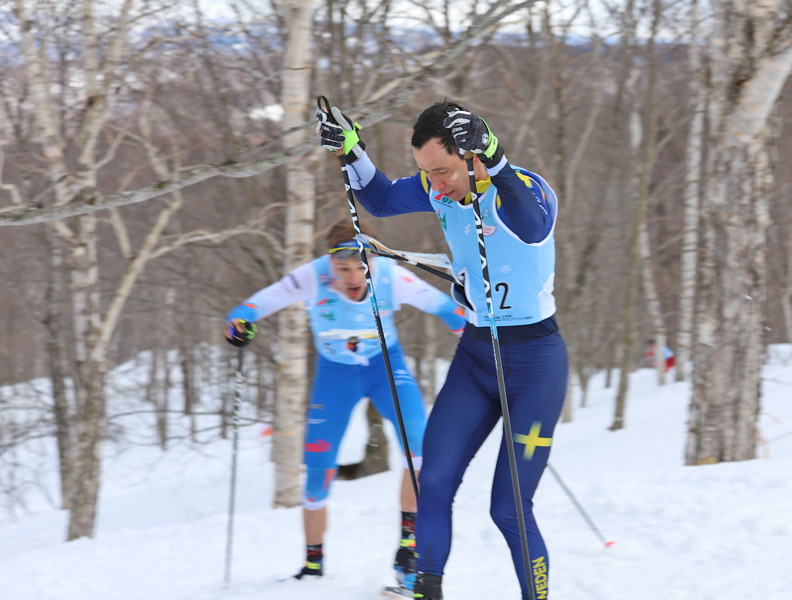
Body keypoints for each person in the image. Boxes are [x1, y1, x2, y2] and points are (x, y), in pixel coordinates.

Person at [315, 101, 568, 600]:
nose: (434, 185)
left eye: (443, 171)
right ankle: (426, 591)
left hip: (535, 365)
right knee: (432, 481)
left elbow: (534, 226)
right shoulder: (440, 186)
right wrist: (353, 152)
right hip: (477, 359)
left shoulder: (523, 188)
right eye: (425, 172)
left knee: (509, 509)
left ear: (472, 155)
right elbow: (383, 200)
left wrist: (494, 156)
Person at [224, 218, 465, 591]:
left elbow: (447, 309)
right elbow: (255, 305)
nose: (353, 278)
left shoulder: (389, 276)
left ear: (373, 260)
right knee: (318, 473)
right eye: (343, 268)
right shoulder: (312, 277)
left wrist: (473, 330)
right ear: (329, 263)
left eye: (360, 267)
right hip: (335, 376)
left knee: (420, 449)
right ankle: (312, 565)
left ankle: (408, 549)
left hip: (385, 367)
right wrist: (239, 322)